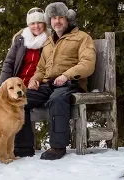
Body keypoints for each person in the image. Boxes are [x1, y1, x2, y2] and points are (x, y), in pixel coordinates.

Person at [15, 2, 96, 160]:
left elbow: (88, 64)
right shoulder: (48, 42)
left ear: (68, 19)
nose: (57, 21)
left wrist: (66, 75)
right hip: (48, 85)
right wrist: (35, 79)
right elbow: (41, 68)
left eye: (60, 17)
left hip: (71, 84)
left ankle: (58, 147)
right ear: (49, 21)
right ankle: (23, 147)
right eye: (53, 18)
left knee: (57, 99)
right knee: (21, 100)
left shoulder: (82, 38)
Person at [0, 7, 51, 100]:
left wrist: (37, 80)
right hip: (15, 85)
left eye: (39, 22)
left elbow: (48, 67)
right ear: (28, 25)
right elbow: (9, 64)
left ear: (44, 23)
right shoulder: (20, 40)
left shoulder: (50, 41)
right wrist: (1, 87)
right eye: (32, 23)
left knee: (18, 103)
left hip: (35, 86)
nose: (36, 26)